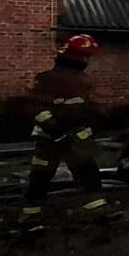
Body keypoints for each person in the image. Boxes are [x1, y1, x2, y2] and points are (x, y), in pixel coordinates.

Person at [20, 34, 106, 223]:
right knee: (41, 176)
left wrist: (89, 126)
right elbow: (36, 109)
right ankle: (30, 214)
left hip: (75, 137)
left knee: (88, 172)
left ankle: (96, 209)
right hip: (49, 139)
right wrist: (56, 131)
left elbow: (89, 109)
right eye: (83, 56)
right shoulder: (46, 80)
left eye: (87, 57)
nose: (86, 61)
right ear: (71, 56)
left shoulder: (82, 81)